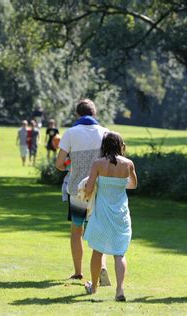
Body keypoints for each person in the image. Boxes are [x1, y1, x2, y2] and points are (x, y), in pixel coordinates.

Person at [55, 98, 111, 285]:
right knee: (98, 230)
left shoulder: (71, 133)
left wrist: (70, 164)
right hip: (99, 189)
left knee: (76, 230)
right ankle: (101, 267)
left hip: (77, 190)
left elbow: (59, 163)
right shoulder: (105, 132)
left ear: (77, 114)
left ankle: (78, 272)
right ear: (94, 113)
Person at [82, 132, 138, 301]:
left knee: (98, 250)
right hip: (120, 214)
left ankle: (93, 288)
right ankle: (120, 290)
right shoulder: (128, 164)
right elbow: (134, 185)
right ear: (120, 145)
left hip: (102, 213)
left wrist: (84, 188)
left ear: (104, 145)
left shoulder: (98, 164)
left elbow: (89, 188)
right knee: (119, 252)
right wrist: (119, 184)